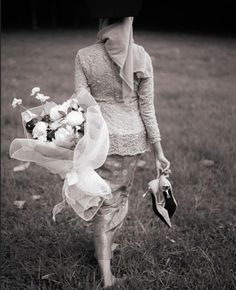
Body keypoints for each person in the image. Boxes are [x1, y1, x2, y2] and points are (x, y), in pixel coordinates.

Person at [74, 17, 170, 288]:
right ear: (128, 21)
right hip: (131, 140)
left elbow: (81, 97)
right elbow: (147, 108)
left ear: (102, 20)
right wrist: (158, 151)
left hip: (98, 138)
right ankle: (107, 277)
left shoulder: (84, 56)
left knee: (104, 200)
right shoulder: (140, 55)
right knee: (117, 199)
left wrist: (96, 117)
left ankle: (102, 249)